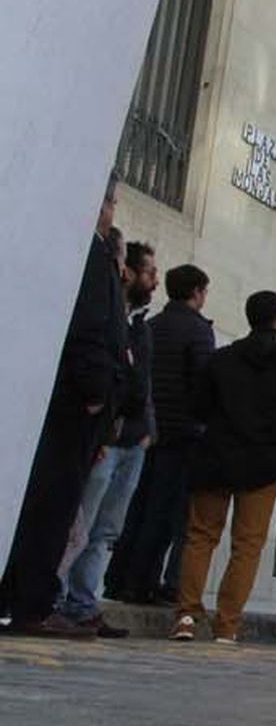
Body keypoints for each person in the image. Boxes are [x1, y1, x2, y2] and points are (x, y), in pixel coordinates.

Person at [1, 176, 128, 637]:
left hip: (77, 401)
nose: (112, 210)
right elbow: (90, 327)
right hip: (76, 403)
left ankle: (23, 597)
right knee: (51, 506)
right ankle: (31, 603)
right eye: (111, 201)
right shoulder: (90, 255)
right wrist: (97, 393)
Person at [171, 291, 276, 643]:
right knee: (247, 544)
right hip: (265, 464)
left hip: (216, 457)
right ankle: (227, 624)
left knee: (201, 536)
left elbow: (198, 406)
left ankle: (186, 616)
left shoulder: (222, 359)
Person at [56, 237, 159, 638]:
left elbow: (143, 383)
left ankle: (83, 603)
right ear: (128, 272)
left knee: (105, 531)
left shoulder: (140, 327)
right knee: (77, 523)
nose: (155, 280)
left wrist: (148, 431)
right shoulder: (108, 314)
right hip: (107, 440)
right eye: (150, 272)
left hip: (133, 441)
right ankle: (56, 597)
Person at [108, 262, 213, 604]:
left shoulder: (152, 324)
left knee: (138, 505)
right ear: (197, 292)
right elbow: (202, 382)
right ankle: (143, 581)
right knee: (165, 512)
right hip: (182, 432)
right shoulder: (198, 330)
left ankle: (119, 576)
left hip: (149, 429)